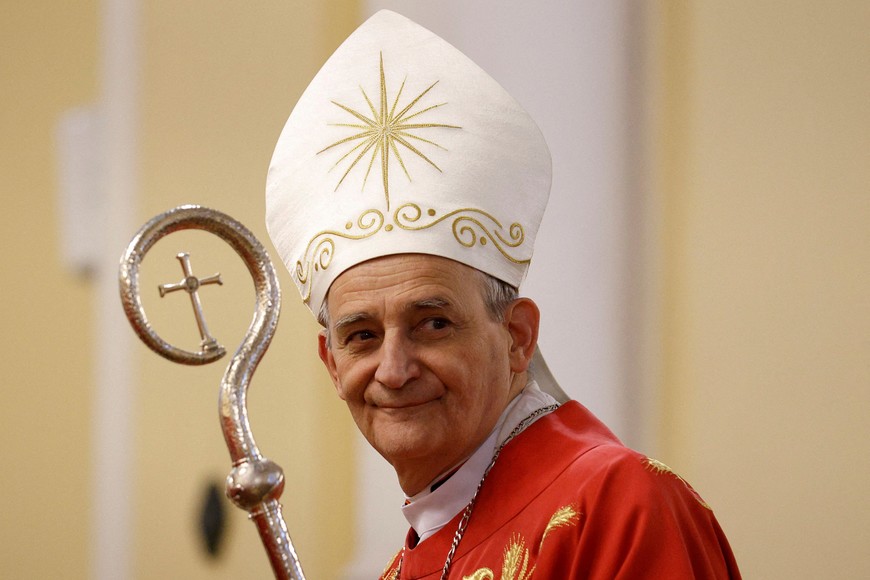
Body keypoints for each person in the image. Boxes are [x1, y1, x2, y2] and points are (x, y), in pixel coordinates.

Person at [265, 10, 740, 579]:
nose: (392, 370)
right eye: (362, 336)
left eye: (433, 323)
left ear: (517, 337)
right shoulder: (404, 565)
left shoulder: (617, 507)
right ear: (331, 363)